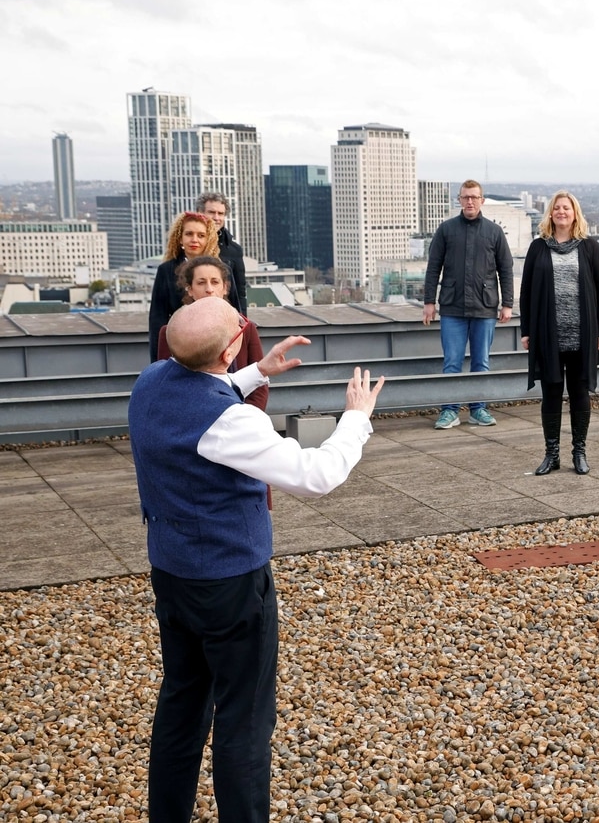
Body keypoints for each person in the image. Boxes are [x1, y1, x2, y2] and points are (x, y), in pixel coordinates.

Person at [129, 296, 383, 823]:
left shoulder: (150, 381)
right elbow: (315, 476)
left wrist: (252, 373)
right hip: (229, 584)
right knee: (243, 722)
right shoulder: (229, 422)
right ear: (230, 348)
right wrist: (355, 419)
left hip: (172, 573)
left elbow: (197, 383)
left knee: (181, 704)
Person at [520, 190, 599, 475]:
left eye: (567, 208)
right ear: (550, 213)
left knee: (579, 392)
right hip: (548, 333)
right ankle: (552, 454)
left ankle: (579, 452)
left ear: (575, 214)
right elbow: (526, 292)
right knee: (551, 393)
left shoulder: (589, 247)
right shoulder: (538, 248)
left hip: (583, 333)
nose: (561, 212)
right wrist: (526, 331)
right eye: (557, 208)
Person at [423, 179, 515, 429]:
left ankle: (478, 409)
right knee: (451, 362)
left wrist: (507, 304)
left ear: (482, 200)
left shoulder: (494, 232)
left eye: (474, 197)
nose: (470, 201)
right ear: (459, 200)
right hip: (452, 307)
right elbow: (433, 268)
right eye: (465, 197)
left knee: (481, 362)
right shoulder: (446, 230)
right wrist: (429, 301)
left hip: (485, 308)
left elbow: (506, 269)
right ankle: (449, 411)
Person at [156, 257, 268, 412]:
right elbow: (169, 384)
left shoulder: (246, 328)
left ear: (225, 288)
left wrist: (248, 419)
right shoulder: (171, 333)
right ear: (190, 289)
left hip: (241, 416)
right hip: (194, 417)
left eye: (215, 282)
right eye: (201, 283)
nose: (209, 289)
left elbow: (259, 383)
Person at [148, 211, 218, 362]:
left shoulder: (220, 270)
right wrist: (157, 362)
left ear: (209, 239)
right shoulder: (166, 270)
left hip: (216, 349)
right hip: (179, 350)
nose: (194, 240)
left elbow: (235, 311)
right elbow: (157, 320)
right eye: (189, 234)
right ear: (180, 237)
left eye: (201, 235)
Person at [198, 191, 250, 317]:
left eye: (220, 213)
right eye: (211, 212)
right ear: (200, 213)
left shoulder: (234, 250)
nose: (216, 218)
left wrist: (243, 324)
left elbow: (240, 292)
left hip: (224, 317)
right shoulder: (190, 246)